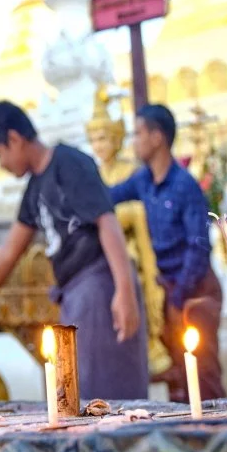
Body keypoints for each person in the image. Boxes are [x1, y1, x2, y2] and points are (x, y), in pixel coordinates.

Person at [0, 100, 148, 400]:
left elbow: (106, 222)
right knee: (76, 391)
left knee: (107, 395)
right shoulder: (35, 188)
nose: (1, 164)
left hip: (100, 286)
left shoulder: (69, 163)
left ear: (15, 139)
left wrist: (124, 291)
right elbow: (10, 252)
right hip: (74, 293)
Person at [110, 104, 226, 401]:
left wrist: (178, 297)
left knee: (203, 378)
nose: (133, 141)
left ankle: (219, 437)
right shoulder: (143, 180)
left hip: (195, 292)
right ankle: (188, 438)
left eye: (137, 133)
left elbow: (199, 247)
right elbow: (109, 197)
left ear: (157, 137)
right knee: (180, 380)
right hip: (170, 292)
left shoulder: (184, 185)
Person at [86, 86, 171, 382]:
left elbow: (135, 215)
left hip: (132, 250)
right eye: (94, 139)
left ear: (117, 139)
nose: (99, 145)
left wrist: (107, 217)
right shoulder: (92, 175)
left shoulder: (132, 172)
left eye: (104, 138)